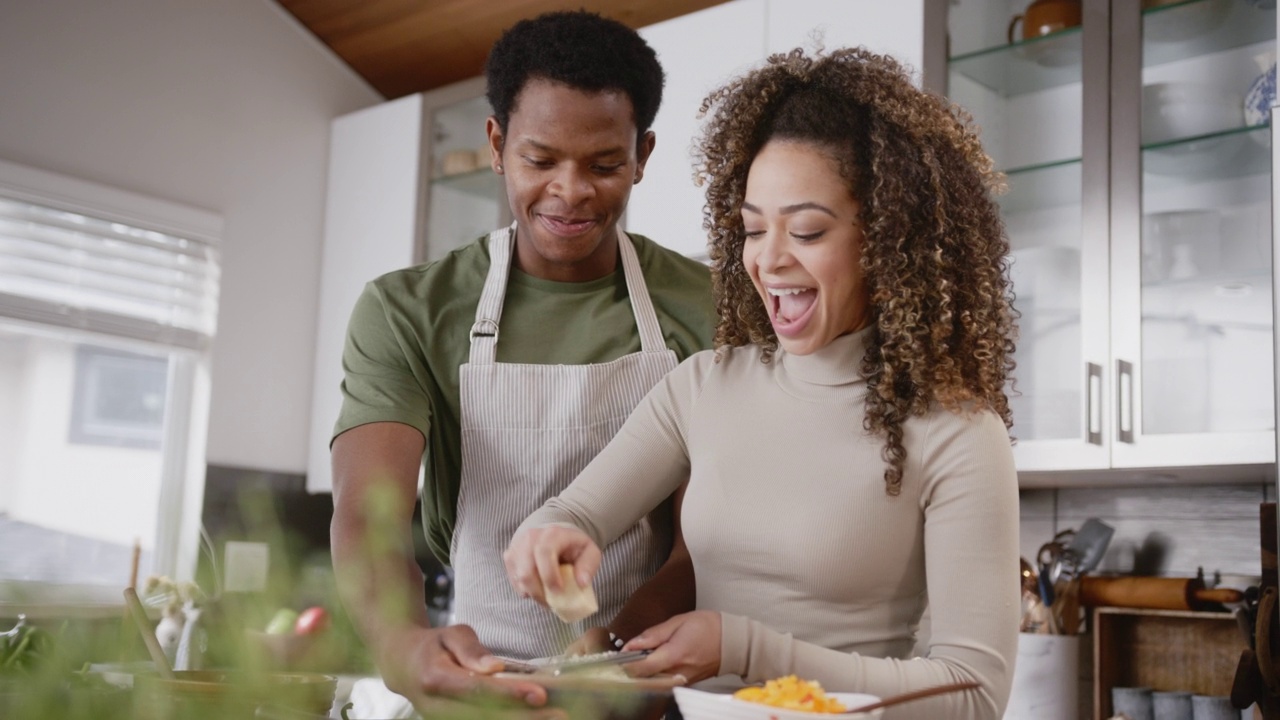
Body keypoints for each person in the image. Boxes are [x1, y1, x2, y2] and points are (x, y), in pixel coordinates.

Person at [504, 47, 1021, 719]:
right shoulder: (703, 388)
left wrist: (746, 649)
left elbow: (974, 695)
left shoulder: (957, 432)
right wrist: (545, 537)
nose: (769, 260)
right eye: (752, 229)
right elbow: (573, 515)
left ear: (887, 240)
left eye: (806, 230)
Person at [328, 10, 716, 713]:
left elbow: (704, 546)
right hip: (471, 686)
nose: (570, 191)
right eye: (541, 160)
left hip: (645, 679)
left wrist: (613, 656)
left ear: (642, 156)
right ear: (497, 145)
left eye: (603, 165)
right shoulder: (407, 310)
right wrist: (400, 645)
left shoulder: (708, 308)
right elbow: (368, 519)